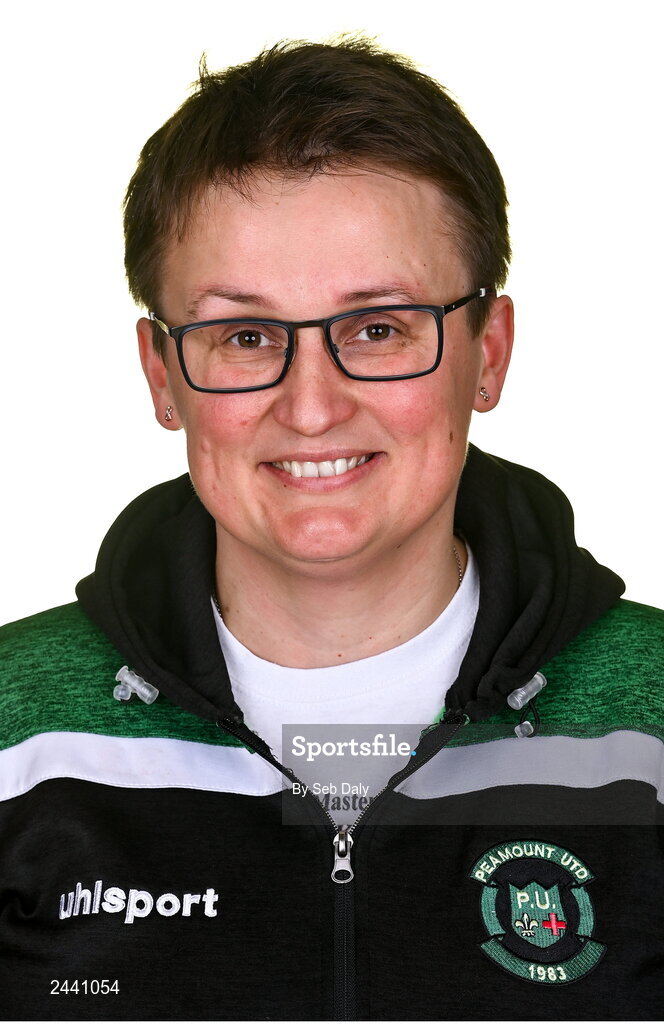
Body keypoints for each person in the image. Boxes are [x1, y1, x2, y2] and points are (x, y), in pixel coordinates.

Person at [0, 37, 661, 1022]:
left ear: (488, 354)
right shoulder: (17, 734)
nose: (310, 407)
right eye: (245, 334)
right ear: (161, 374)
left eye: (380, 327)